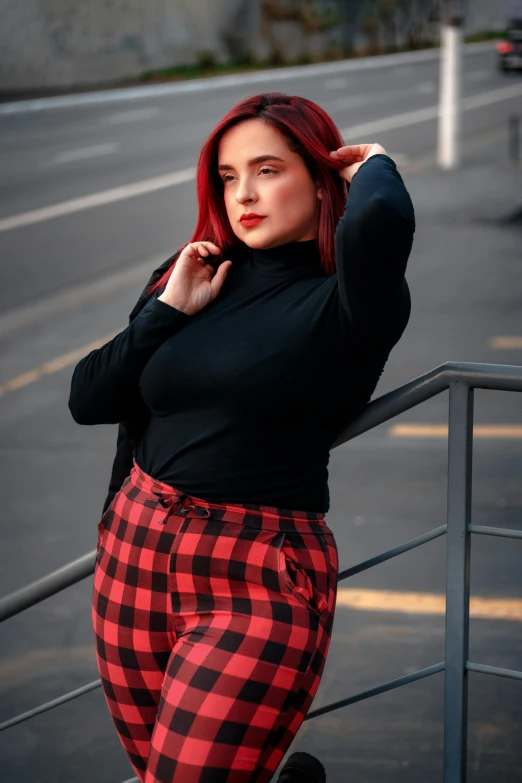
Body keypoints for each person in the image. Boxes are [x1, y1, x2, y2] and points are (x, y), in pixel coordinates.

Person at [68, 92, 415, 783]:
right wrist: (166, 311)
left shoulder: (350, 297)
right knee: (157, 770)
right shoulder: (194, 273)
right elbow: (90, 399)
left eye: (267, 170)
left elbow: (379, 218)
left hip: (257, 576)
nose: (243, 194)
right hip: (134, 555)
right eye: (228, 176)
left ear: (322, 180)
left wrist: (376, 163)